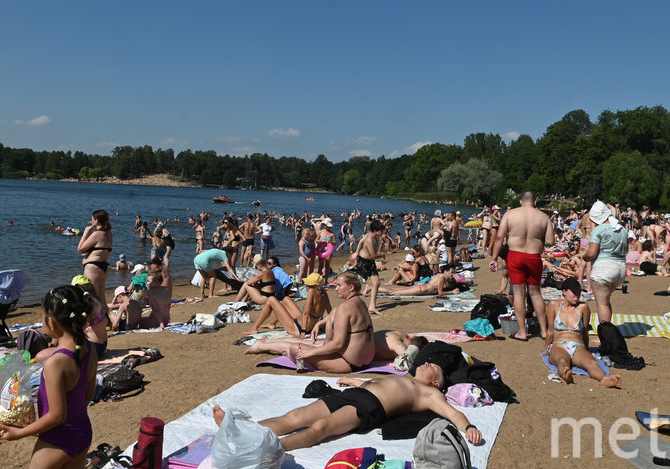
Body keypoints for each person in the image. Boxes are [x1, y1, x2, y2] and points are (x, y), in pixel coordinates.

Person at [211, 362, 482, 451]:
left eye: (432, 367)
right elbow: (376, 381)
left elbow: (452, 412)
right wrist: (354, 380)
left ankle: (268, 446)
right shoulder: (403, 377)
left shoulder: (428, 394)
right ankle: (239, 432)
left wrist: (467, 426)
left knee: (321, 428)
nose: (426, 363)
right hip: (354, 393)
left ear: (436, 382)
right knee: (293, 416)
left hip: (372, 406)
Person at [0, 284, 97, 469]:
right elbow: (88, 394)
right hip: (82, 432)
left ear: (52, 322)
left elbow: (57, 415)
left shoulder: (55, 363)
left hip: (56, 439)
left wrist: (20, 433)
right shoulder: (89, 349)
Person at [244, 272, 375, 373]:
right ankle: (266, 342)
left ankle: (263, 345)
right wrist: (320, 323)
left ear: (351, 287)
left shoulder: (344, 308)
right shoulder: (360, 303)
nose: (336, 288)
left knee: (296, 348)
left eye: (339, 285)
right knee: (307, 342)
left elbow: (338, 344)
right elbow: (331, 312)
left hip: (349, 363)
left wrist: (311, 353)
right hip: (363, 359)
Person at [489, 192, 554, 341]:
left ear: (520, 201)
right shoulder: (544, 217)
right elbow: (550, 241)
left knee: (518, 293)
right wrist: (536, 238)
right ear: (535, 202)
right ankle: (544, 331)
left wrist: (494, 258)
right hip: (534, 256)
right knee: (536, 293)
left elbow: (499, 237)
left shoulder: (510, 214)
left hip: (515, 255)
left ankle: (522, 332)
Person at [542, 278, 622, 387]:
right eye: (574, 293)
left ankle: (604, 379)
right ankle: (566, 375)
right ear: (564, 291)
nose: (577, 296)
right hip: (559, 345)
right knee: (562, 361)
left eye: (579, 293)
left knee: (591, 363)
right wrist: (546, 348)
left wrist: (586, 350)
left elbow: (584, 331)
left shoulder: (583, 307)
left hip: (578, 346)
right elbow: (550, 330)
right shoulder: (554, 305)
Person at [242, 272, 332, 336]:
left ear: (316, 286)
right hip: (309, 326)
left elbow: (306, 313)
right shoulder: (324, 293)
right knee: (286, 299)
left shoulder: (312, 292)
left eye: (309, 285)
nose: (306, 286)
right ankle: (272, 323)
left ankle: (254, 328)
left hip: (298, 328)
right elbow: (330, 313)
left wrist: (303, 333)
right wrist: (324, 326)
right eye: (306, 284)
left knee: (271, 299)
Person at [583, 201, 628, 323]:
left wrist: (584, 257)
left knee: (602, 304)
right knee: (606, 302)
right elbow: (626, 250)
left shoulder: (599, 230)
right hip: (621, 268)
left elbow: (591, 253)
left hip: (604, 268)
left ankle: (605, 335)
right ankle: (609, 329)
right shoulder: (622, 229)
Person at [77, 209, 113, 307]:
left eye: (92, 219)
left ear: (96, 221)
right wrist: (90, 252)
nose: (91, 221)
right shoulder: (109, 233)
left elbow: (80, 249)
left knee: (92, 299)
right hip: (103, 267)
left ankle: (97, 322)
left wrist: (85, 233)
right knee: (102, 301)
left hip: (93, 268)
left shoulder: (96, 234)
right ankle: (108, 321)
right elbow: (101, 249)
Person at [353, 220, 386, 315]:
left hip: (370, 262)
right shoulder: (369, 239)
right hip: (363, 262)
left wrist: (356, 252)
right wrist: (382, 254)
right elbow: (374, 255)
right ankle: (352, 304)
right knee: (358, 285)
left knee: (377, 283)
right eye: (381, 231)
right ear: (375, 230)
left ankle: (372, 306)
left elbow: (360, 242)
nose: (382, 233)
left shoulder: (373, 236)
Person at [379, 263, 461, 297]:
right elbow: (440, 293)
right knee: (393, 291)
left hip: (420, 287)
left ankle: (372, 288)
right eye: (451, 272)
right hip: (421, 289)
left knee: (394, 290)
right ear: (446, 271)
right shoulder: (442, 277)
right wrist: (452, 292)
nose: (453, 274)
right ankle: (372, 289)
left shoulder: (440, 276)